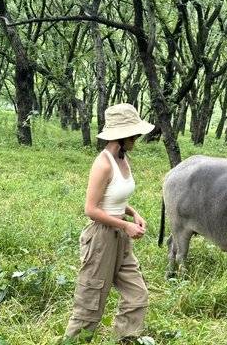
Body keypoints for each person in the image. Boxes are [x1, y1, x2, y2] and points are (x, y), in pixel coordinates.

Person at [64, 103, 154, 344]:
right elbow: (91, 209)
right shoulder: (103, 163)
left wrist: (133, 213)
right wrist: (124, 225)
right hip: (102, 238)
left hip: (121, 237)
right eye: (134, 134)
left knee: (137, 296)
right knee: (90, 305)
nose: (137, 139)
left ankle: (125, 339)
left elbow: (115, 197)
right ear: (121, 136)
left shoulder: (123, 159)